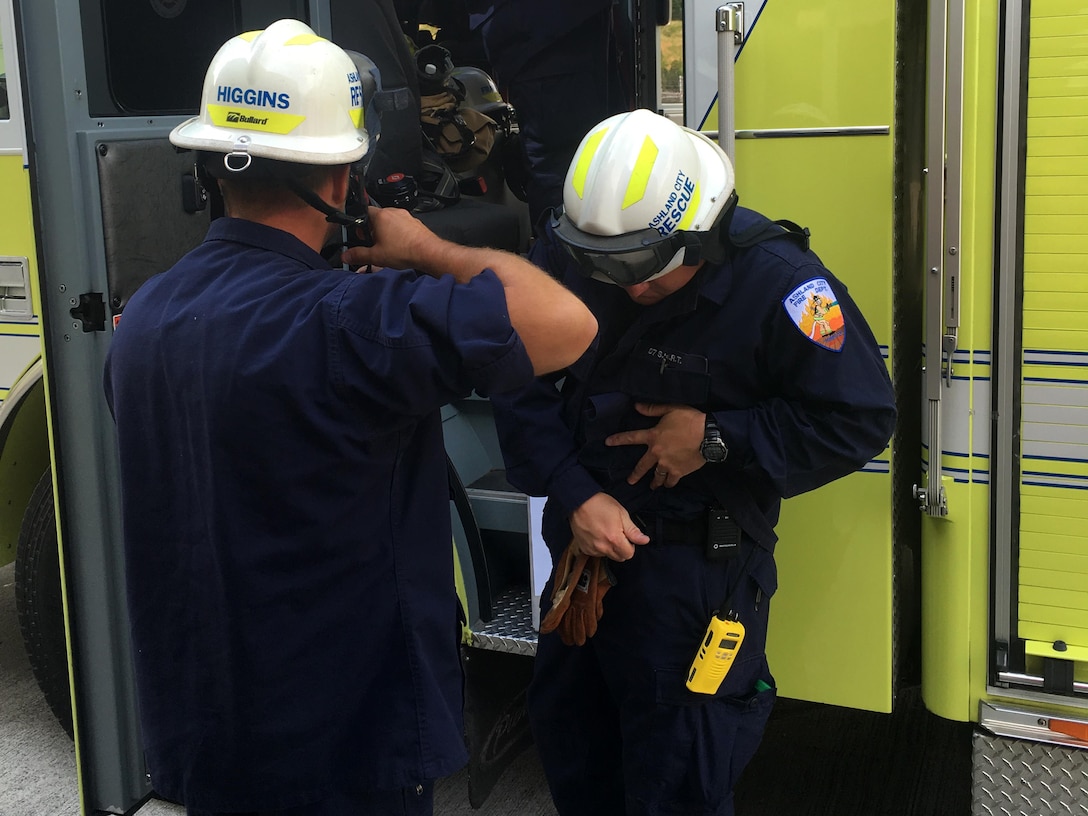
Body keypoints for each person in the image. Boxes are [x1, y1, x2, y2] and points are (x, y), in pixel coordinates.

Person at [102, 20, 596, 816]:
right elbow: (567, 325)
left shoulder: (146, 318)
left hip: (206, 738)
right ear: (343, 184)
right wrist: (427, 250)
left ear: (206, 168)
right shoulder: (353, 321)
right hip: (342, 750)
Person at [490, 109, 897, 815]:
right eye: (601, 265)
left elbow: (858, 418)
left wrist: (716, 438)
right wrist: (573, 493)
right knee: (574, 753)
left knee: (678, 784)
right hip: (580, 555)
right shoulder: (579, 248)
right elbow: (513, 373)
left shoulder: (781, 286)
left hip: (693, 581)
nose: (624, 286)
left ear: (701, 231)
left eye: (643, 268)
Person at [465, 0, 631, 231]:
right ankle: (560, 260)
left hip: (564, 26)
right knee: (565, 172)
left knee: (602, 158)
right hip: (546, 31)